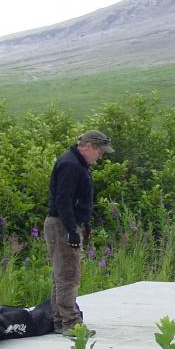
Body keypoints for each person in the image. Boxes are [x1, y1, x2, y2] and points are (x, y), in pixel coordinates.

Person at [45, 130, 114, 336]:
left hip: (64, 223)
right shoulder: (71, 165)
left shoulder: (75, 163)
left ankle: (59, 320)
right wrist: (71, 230)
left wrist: (82, 223)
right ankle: (71, 324)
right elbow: (63, 200)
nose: (100, 156)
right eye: (100, 152)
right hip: (62, 225)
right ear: (89, 147)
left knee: (61, 274)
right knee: (68, 274)